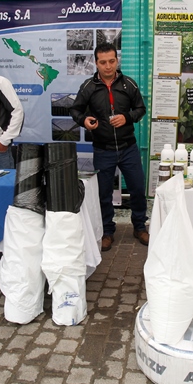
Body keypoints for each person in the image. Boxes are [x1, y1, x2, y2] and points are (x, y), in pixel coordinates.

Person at [70, 43, 149, 251]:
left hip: (128, 147)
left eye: (112, 61)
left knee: (138, 189)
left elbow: (141, 109)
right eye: (103, 62)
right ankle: (107, 231)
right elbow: (75, 110)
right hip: (103, 149)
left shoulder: (128, 84)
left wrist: (127, 117)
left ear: (117, 60)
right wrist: (85, 120)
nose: (108, 66)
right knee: (103, 193)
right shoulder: (88, 87)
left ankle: (140, 227)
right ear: (96, 63)